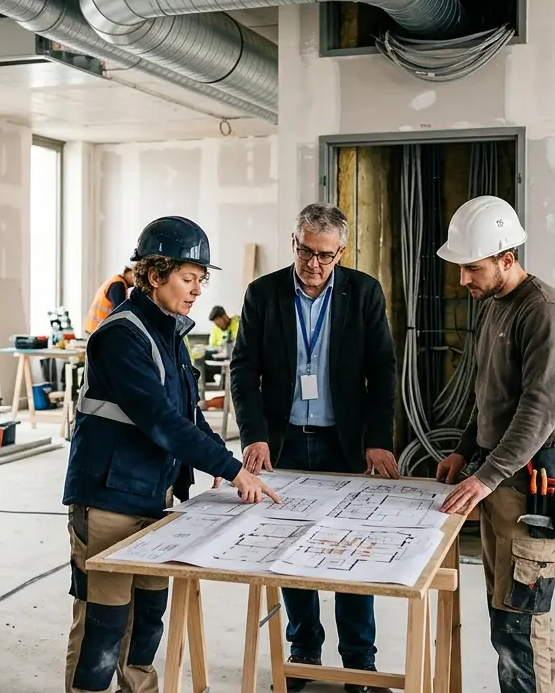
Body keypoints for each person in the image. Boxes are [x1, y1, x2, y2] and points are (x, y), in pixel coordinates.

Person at [63, 216, 281, 693]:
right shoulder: (120, 335)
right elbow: (159, 419)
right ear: (155, 274)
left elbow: (189, 415)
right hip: (109, 498)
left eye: (202, 279)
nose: (198, 290)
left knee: (147, 622)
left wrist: (229, 463)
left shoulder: (170, 333)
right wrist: (227, 467)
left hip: (155, 496)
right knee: (105, 622)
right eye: (189, 277)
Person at [229, 203, 398, 692]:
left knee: (352, 550)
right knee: (290, 549)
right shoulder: (263, 293)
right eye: (306, 251)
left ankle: (359, 663)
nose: (314, 265)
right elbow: (244, 370)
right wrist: (255, 434)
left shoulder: (363, 292)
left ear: (340, 252)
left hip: (342, 445)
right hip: (285, 444)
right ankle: (302, 652)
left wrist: (377, 441)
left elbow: (382, 371)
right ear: (294, 242)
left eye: (325, 256)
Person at [432, 196, 555, 693]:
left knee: (523, 621)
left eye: (472, 268)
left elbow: (538, 412)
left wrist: (486, 476)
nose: (464, 280)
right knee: (504, 611)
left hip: (532, 482)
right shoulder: (496, 304)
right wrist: (465, 451)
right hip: (501, 477)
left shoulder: (544, 314)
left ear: (506, 258)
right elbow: (488, 394)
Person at [194, 305, 240, 388]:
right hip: (219, 357)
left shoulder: (237, 323)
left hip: (233, 358)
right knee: (200, 356)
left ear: (224, 317)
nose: (217, 325)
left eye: (219, 322)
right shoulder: (216, 328)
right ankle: (201, 386)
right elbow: (212, 346)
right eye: (216, 323)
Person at [84, 266, 135, 335]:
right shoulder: (118, 285)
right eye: (134, 275)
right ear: (128, 272)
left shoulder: (116, 281)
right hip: (99, 328)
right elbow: (120, 311)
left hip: (95, 327)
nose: (135, 280)